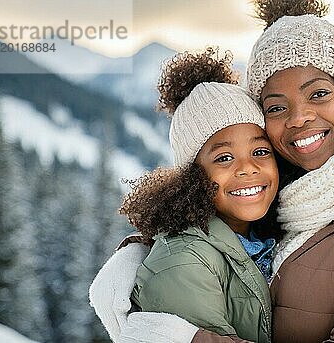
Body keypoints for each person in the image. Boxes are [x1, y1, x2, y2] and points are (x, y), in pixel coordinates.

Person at [89, 1, 334, 342]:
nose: (299, 117)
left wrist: (187, 341)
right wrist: (142, 255)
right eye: (275, 107)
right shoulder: (297, 197)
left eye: (318, 93)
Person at [96, 47, 281, 343]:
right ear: (192, 176)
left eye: (260, 151)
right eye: (223, 158)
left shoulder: (259, 237)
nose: (248, 168)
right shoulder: (185, 262)